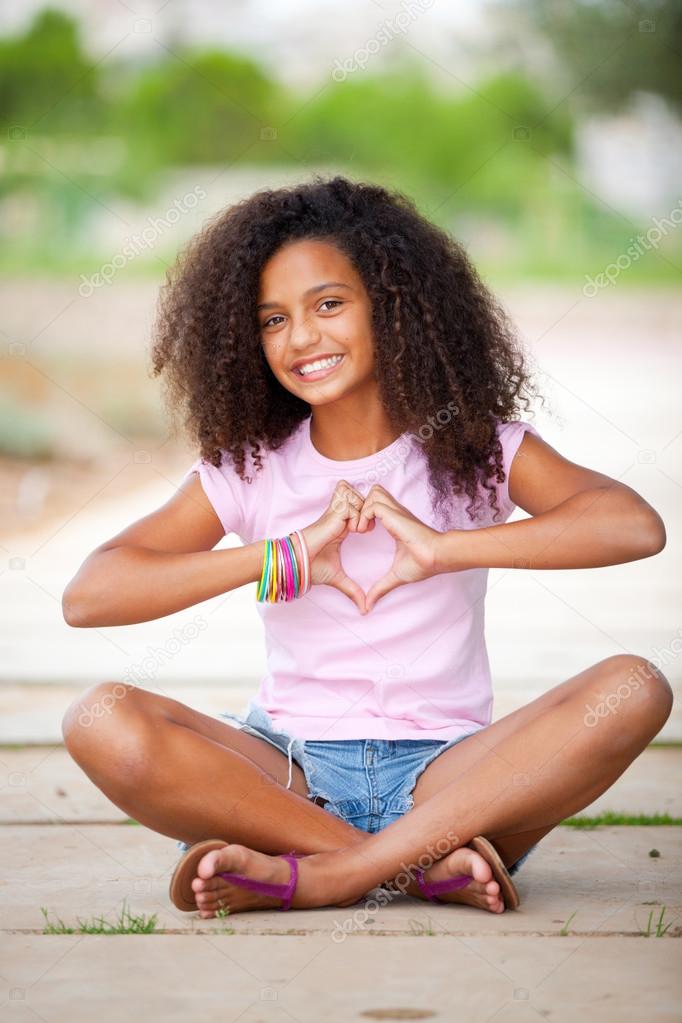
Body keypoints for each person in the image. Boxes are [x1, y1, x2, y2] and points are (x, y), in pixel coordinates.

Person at [61, 176, 672, 918]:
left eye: (328, 304)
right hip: (286, 771)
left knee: (635, 686)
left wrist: (448, 548)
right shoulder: (251, 467)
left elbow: (633, 525)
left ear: (392, 304)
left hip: (450, 775)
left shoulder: (475, 448)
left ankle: (325, 873)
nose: (302, 337)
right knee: (100, 719)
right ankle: (415, 865)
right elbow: (91, 594)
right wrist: (281, 556)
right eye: (273, 319)